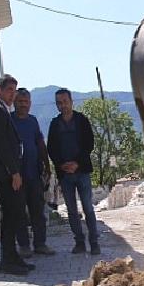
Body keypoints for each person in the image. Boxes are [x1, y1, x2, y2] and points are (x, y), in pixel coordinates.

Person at [0, 75, 35, 275]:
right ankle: (7, 260)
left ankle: (13, 256)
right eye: (9, 90)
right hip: (5, 173)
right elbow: (1, 146)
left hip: (7, 172)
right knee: (12, 214)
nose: (12, 95)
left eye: (14, 91)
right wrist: (14, 172)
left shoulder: (0, 108)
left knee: (14, 214)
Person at [47, 88, 100, 255]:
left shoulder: (81, 120)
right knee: (71, 210)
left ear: (71, 101)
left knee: (88, 208)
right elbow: (51, 148)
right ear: (57, 105)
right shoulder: (54, 124)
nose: (63, 105)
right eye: (59, 103)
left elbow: (89, 144)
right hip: (65, 175)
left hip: (82, 171)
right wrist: (62, 165)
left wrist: (77, 163)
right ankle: (79, 243)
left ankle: (94, 242)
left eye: (65, 101)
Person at [11, 88, 56, 257]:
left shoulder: (33, 121)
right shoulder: (9, 121)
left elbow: (40, 142)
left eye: (26, 102)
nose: (23, 105)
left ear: (30, 103)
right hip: (17, 176)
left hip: (34, 175)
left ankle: (40, 244)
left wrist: (47, 164)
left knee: (38, 211)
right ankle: (24, 246)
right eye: (20, 101)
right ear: (15, 103)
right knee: (20, 212)